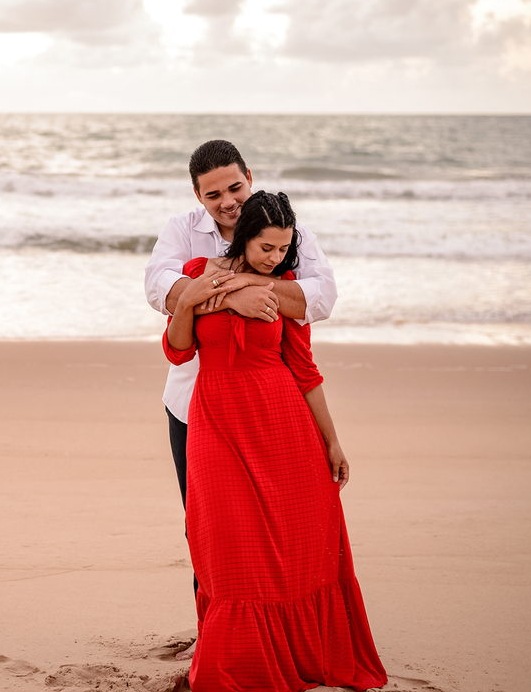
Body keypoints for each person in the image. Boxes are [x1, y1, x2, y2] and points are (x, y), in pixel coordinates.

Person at [163, 190, 386, 691]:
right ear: (244, 237)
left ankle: (292, 653)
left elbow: (305, 370)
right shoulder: (200, 271)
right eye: (266, 247)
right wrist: (195, 297)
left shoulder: (283, 291)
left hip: (283, 425)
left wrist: (332, 442)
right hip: (216, 422)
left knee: (292, 548)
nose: (276, 257)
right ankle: (233, 657)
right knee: (224, 542)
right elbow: (177, 349)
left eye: (284, 249)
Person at [144, 139, 338, 521]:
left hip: (266, 408)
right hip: (191, 402)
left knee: (272, 521)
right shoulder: (182, 230)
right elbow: (159, 288)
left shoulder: (286, 233)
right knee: (205, 524)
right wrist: (234, 298)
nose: (228, 202)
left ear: (249, 177)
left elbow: (321, 298)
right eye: (213, 195)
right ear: (198, 196)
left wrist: (248, 283)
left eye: (235, 188)